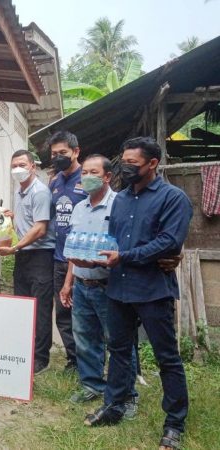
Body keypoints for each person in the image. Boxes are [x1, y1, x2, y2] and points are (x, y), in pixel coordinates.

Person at [84, 137, 193, 450]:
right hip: (118, 288)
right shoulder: (122, 199)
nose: (127, 167)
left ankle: (174, 423)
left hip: (151, 290)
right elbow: (115, 239)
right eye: (125, 161)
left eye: (133, 163)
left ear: (152, 164)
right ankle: (114, 405)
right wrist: (96, 254)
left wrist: (124, 257)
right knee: (118, 349)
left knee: (166, 357)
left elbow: (169, 243)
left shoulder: (174, 198)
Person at [59, 154, 139, 414]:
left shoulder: (121, 205)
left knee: (118, 341)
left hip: (110, 286)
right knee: (84, 338)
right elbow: (74, 249)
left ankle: (127, 395)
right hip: (82, 284)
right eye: (84, 173)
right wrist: (68, 282)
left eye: (94, 172)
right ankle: (92, 384)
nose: (87, 177)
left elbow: (126, 247)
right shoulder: (79, 208)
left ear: (107, 177)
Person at [0, 150, 55, 375]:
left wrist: (15, 247)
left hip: (40, 256)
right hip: (23, 255)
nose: (17, 169)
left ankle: (40, 358)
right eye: (14, 166)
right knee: (23, 304)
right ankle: (24, 351)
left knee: (40, 307)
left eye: (21, 164)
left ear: (32, 166)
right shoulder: (20, 191)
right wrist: (10, 218)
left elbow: (40, 227)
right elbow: (26, 221)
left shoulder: (39, 192)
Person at [48, 131, 87, 371]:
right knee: (62, 314)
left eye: (63, 153)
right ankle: (73, 360)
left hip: (83, 261)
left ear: (76, 151)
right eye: (54, 154)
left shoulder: (89, 178)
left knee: (82, 315)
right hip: (59, 257)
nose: (58, 157)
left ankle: (89, 362)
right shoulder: (54, 181)